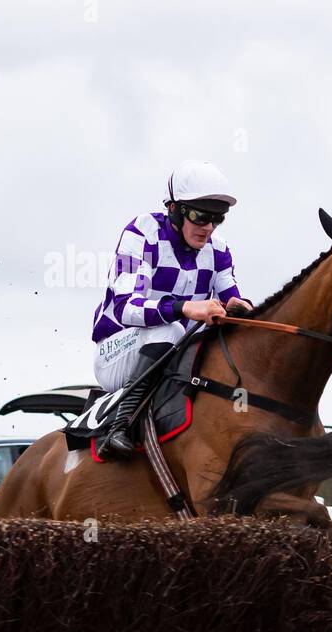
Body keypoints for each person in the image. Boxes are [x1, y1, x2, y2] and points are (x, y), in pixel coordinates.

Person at [90, 160, 254, 459]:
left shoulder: (218, 249)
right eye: (201, 216)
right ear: (175, 209)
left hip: (177, 354)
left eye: (218, 219)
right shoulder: (141, 232)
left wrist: (242, 310)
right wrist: (185, 308)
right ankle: (120, 425)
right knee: (171, 327)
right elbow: (127, 308)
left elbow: (232, 298)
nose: (208, 228)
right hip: (118, 351)